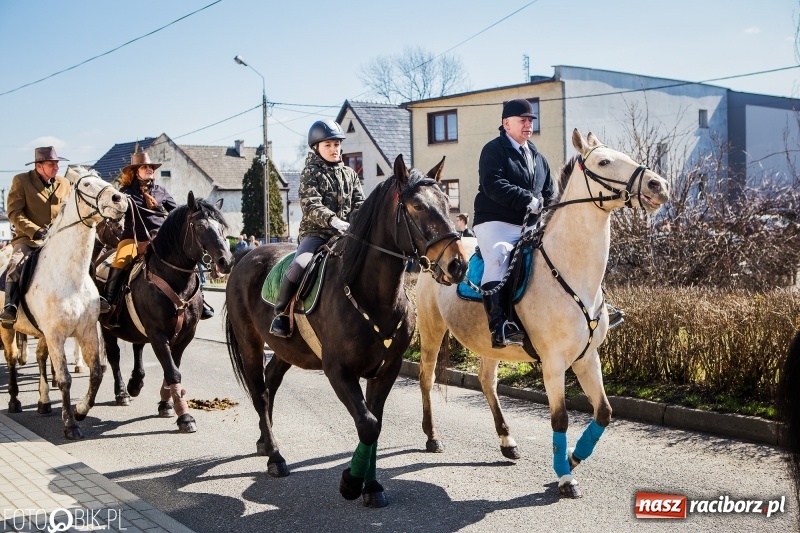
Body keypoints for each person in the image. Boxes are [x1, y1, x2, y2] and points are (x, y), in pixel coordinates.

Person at [473, 99, 556, 348]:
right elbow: (493, 184)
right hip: (495, 223)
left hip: (530, 225)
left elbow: (550, 192)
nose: (528, 124)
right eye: (523, 120)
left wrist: (551, 211)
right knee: (499, 256)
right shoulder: (493, 150)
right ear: (506, 123)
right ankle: (499, 327)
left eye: (531, 120)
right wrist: (527, 200)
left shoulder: (538, 156)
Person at [269, 119, 365, 338]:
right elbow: (311, 204)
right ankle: (281, 312)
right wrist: (333, 220)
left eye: (336, 145)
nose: (333, 149)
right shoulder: (310, 172)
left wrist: (359, 222)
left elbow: (360, 204)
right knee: (300, 265)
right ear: (316, 148)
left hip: (347, 234)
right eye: (327, 145)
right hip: (317, 234)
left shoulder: (350, 174)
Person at [102, 152, 213, 324]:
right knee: (120, 260)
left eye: (151, 167)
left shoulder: (161, 191)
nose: (149, 170)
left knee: (190, 255)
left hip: (160, 239)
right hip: (133, 238)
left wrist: (165, 210)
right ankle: (111, 305)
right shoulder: (125, 192)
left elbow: (177, 214)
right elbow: (116, 213)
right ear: (135, 171)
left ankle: (201, 300)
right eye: (145, 167)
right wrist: (123, 202)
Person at [1, 147, 72, 327]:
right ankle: (10, 307)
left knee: (87, 261)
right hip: (29, 239)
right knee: (16, 264)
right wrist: (35, 230)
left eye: (57, 164)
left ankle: (97, 299)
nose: (56, 167)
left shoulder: (64, 183)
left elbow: (69, 210)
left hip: (59, 240)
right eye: (51, 164)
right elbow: (14, 212)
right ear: (39, 166)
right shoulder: (21, 181)